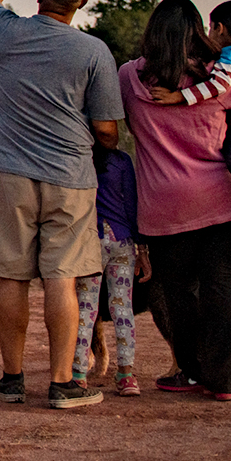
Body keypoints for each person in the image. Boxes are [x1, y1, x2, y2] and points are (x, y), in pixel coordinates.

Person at [0, 0, 125, 410]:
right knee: (61, 278)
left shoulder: (3, 34)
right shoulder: (93, 51)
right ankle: (63, 384)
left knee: (12, 276)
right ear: (80, 2)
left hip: (10, 172)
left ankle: (12, 380)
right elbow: (106, 128)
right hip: (70, 177)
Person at [121, 0, 231, 402]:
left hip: (164, 206)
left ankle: (193, 370)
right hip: (223, 199)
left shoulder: (128, 78)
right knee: (221, 283)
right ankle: (225, 382)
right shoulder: (219, 79)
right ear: (197, 31)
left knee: (177, 291)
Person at [147, 0, 231, 260]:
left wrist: (179, 97)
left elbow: (218, 86)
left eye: (209, 29)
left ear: (219, 28)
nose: (207, 34)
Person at [73, 143, 146, 396]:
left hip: (90, 241)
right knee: (122, 308)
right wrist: (142, 248)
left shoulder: (78, 156)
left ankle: (79, 374)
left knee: (85, 308)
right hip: (121, 240)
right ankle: (126, 375)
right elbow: (132, 204)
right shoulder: (121, 161)